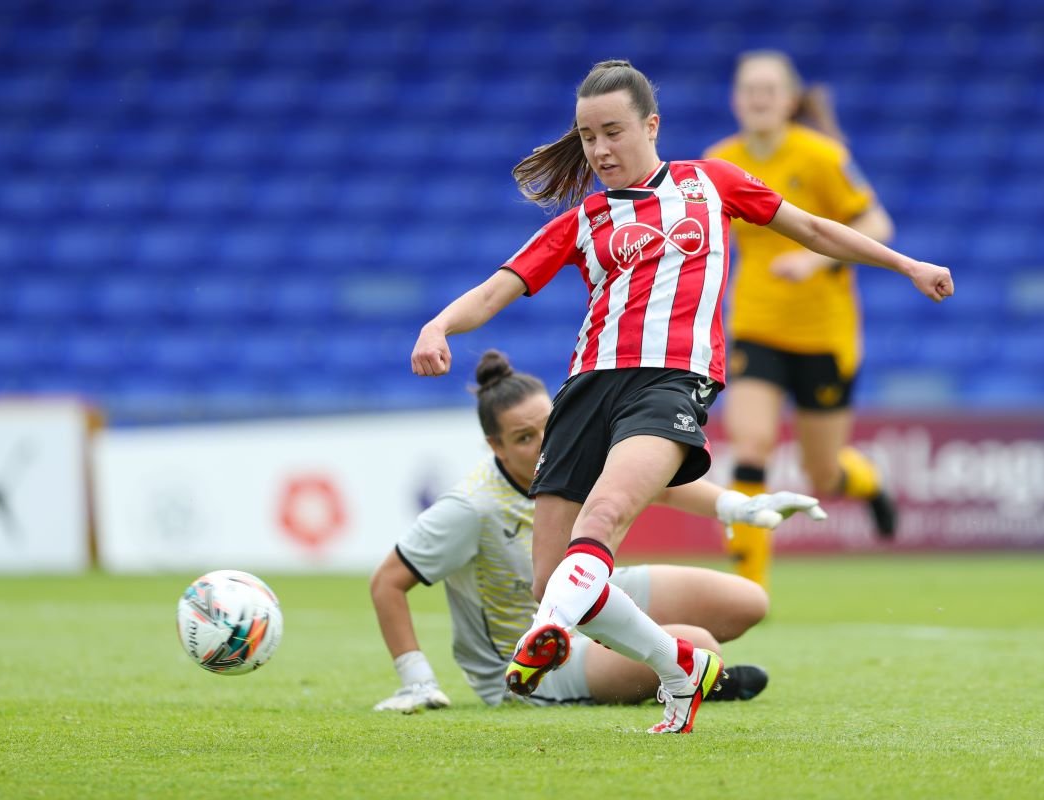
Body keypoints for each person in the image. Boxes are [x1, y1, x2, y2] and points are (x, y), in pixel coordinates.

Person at [411, 59, 953, 733]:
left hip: (671, 380)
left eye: (613, 131)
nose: (601, 150)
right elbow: (498, 287)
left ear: (651, 125)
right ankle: (678, 665)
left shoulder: (711, 183)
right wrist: (438, 324)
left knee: (603, 516)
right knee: (554, 574)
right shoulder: (583, 221)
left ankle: (548, 630)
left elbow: (814, 228)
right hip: (587, 388)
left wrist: (908, 265)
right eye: (587, 137)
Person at [372, 350, 827, 712]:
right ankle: (685, 673)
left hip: (593, 592)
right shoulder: (471, 508)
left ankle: (671, 669)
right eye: (523, 438)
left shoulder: (570, 451)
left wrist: (741, 507)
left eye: (547, 427)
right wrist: (418, 680)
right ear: (495, 445)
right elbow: (387, 582)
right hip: (540, 660)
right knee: (700, 643)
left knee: (748, 601)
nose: (541, 445)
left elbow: (661, 489)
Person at [704, 51, 901, 591]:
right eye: (748, 88)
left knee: (823, 475)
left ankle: (868, 482)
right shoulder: (720, 162)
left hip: (824, 335)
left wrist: (815, 260)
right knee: (751, 446)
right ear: (735, 99)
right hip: (757, 326)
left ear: (790, 100)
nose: (758, 98)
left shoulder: (820, 156)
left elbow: (876, 220)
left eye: (769, 88)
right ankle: (748, 587)